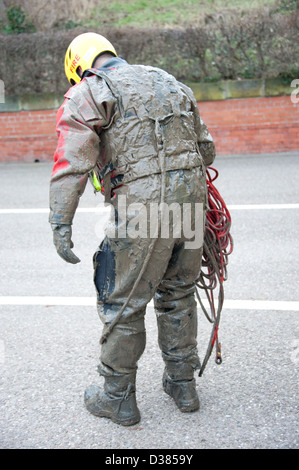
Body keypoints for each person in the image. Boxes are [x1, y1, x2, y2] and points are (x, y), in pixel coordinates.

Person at [49, 32, 216, 426]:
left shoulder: (89, 90)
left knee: (122, 303)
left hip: (143, 209)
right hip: (192, 199)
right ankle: (182, 385)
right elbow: (205, 148)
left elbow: (71, 161)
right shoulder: (167, 80)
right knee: (178, 292)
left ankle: (117, 397)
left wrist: (60, 221)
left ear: (78, 66)